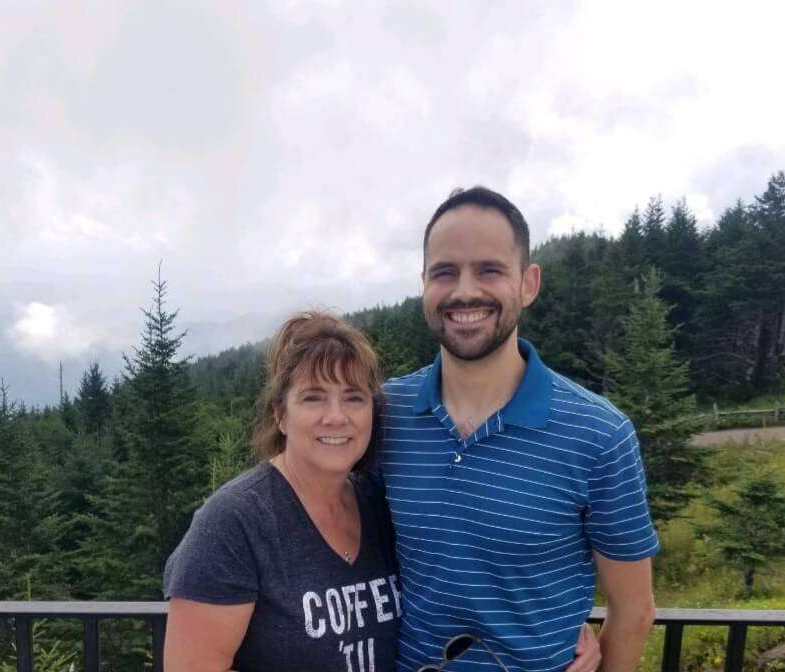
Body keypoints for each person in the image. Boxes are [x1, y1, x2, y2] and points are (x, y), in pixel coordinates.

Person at [379, 187, 659, 672]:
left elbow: (634, 610)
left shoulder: (599, 434)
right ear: (424, 283)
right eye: (445, 272)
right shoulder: (385, 413)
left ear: (528, 283)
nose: (465, 290)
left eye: (489, 270)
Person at [162, 312, 401, 671]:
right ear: (281, 415)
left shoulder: (379, 505)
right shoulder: (234, 522)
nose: (336, 416)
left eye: (354, 398)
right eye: (313, 398)